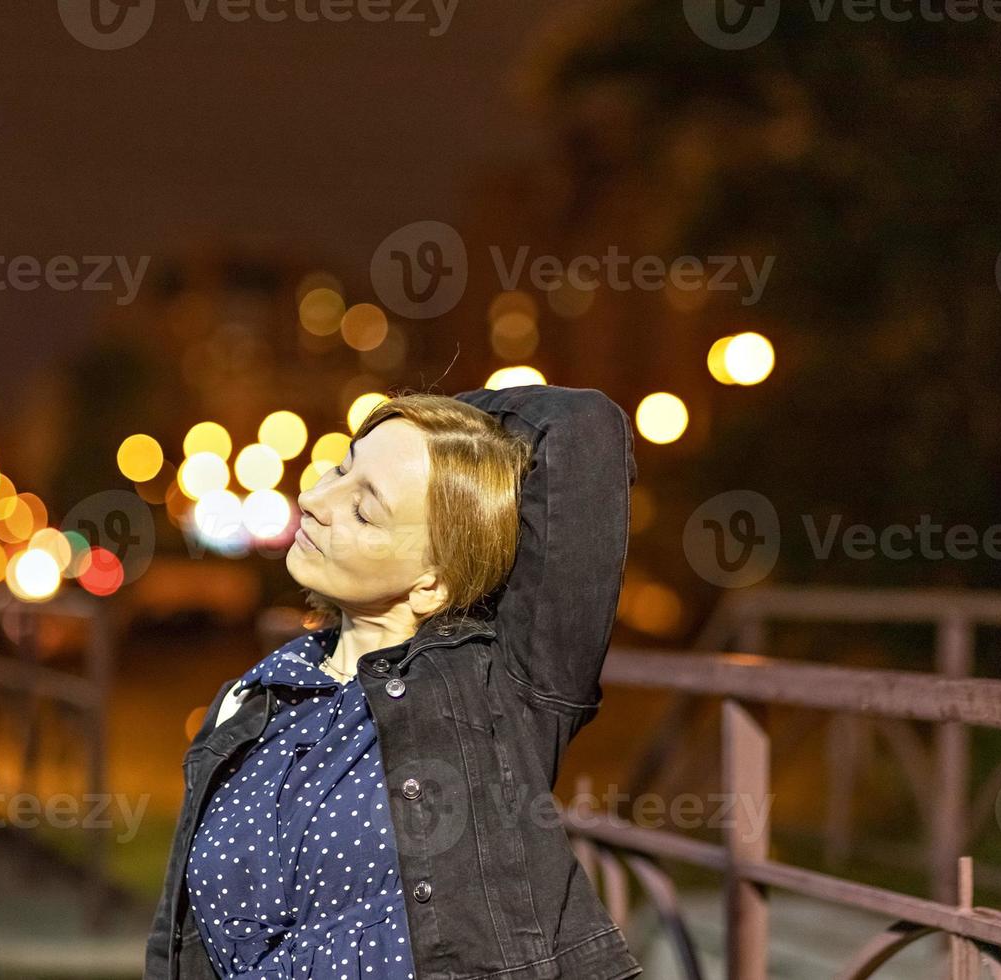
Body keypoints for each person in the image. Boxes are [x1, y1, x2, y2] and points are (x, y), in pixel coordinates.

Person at [146, 383, 642, 980]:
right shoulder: (258, 696)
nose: (313, 498)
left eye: (363, 509)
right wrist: (406, 436)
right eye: (339, 468)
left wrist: (447, 432)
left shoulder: (497, 693)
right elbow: (180, 945)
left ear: (433, 582)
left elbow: (582, 428)